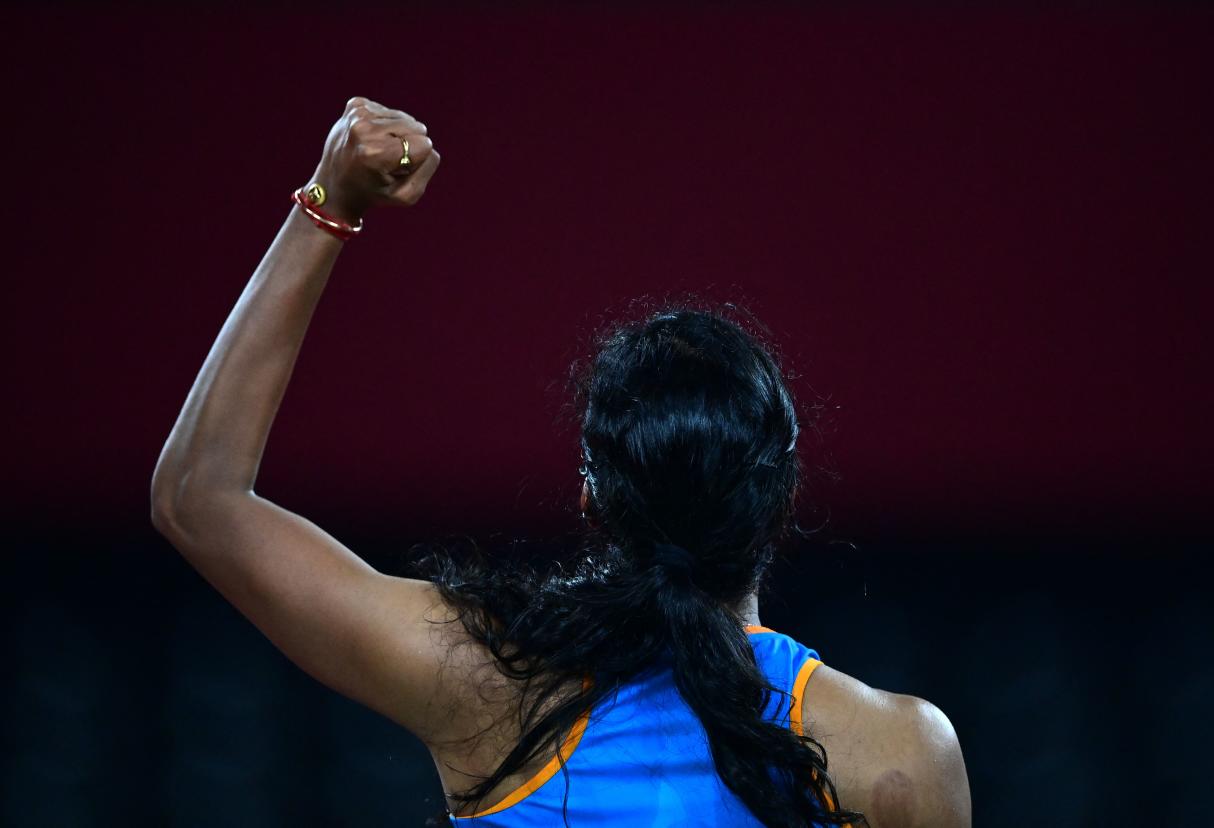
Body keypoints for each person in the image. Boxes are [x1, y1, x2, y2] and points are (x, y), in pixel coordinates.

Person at [151, 96, 971, 827]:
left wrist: (329, 205)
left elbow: (199, 497)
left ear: (593, 501)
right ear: (780, 502)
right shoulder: (899, 753)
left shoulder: (494, 695)